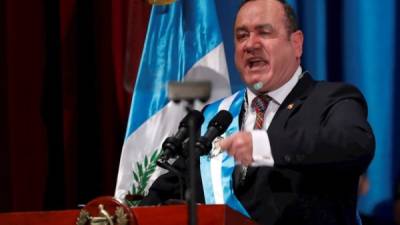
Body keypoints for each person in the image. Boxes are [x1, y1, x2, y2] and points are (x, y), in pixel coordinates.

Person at [140, 0, 375, 225]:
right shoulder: (215, 119)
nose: (250, 44)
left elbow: (355, 144)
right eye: (242, 35)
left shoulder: (331, 99)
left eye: (264, 32)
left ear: (297, 44)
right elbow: (166, 192)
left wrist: (264, 146)